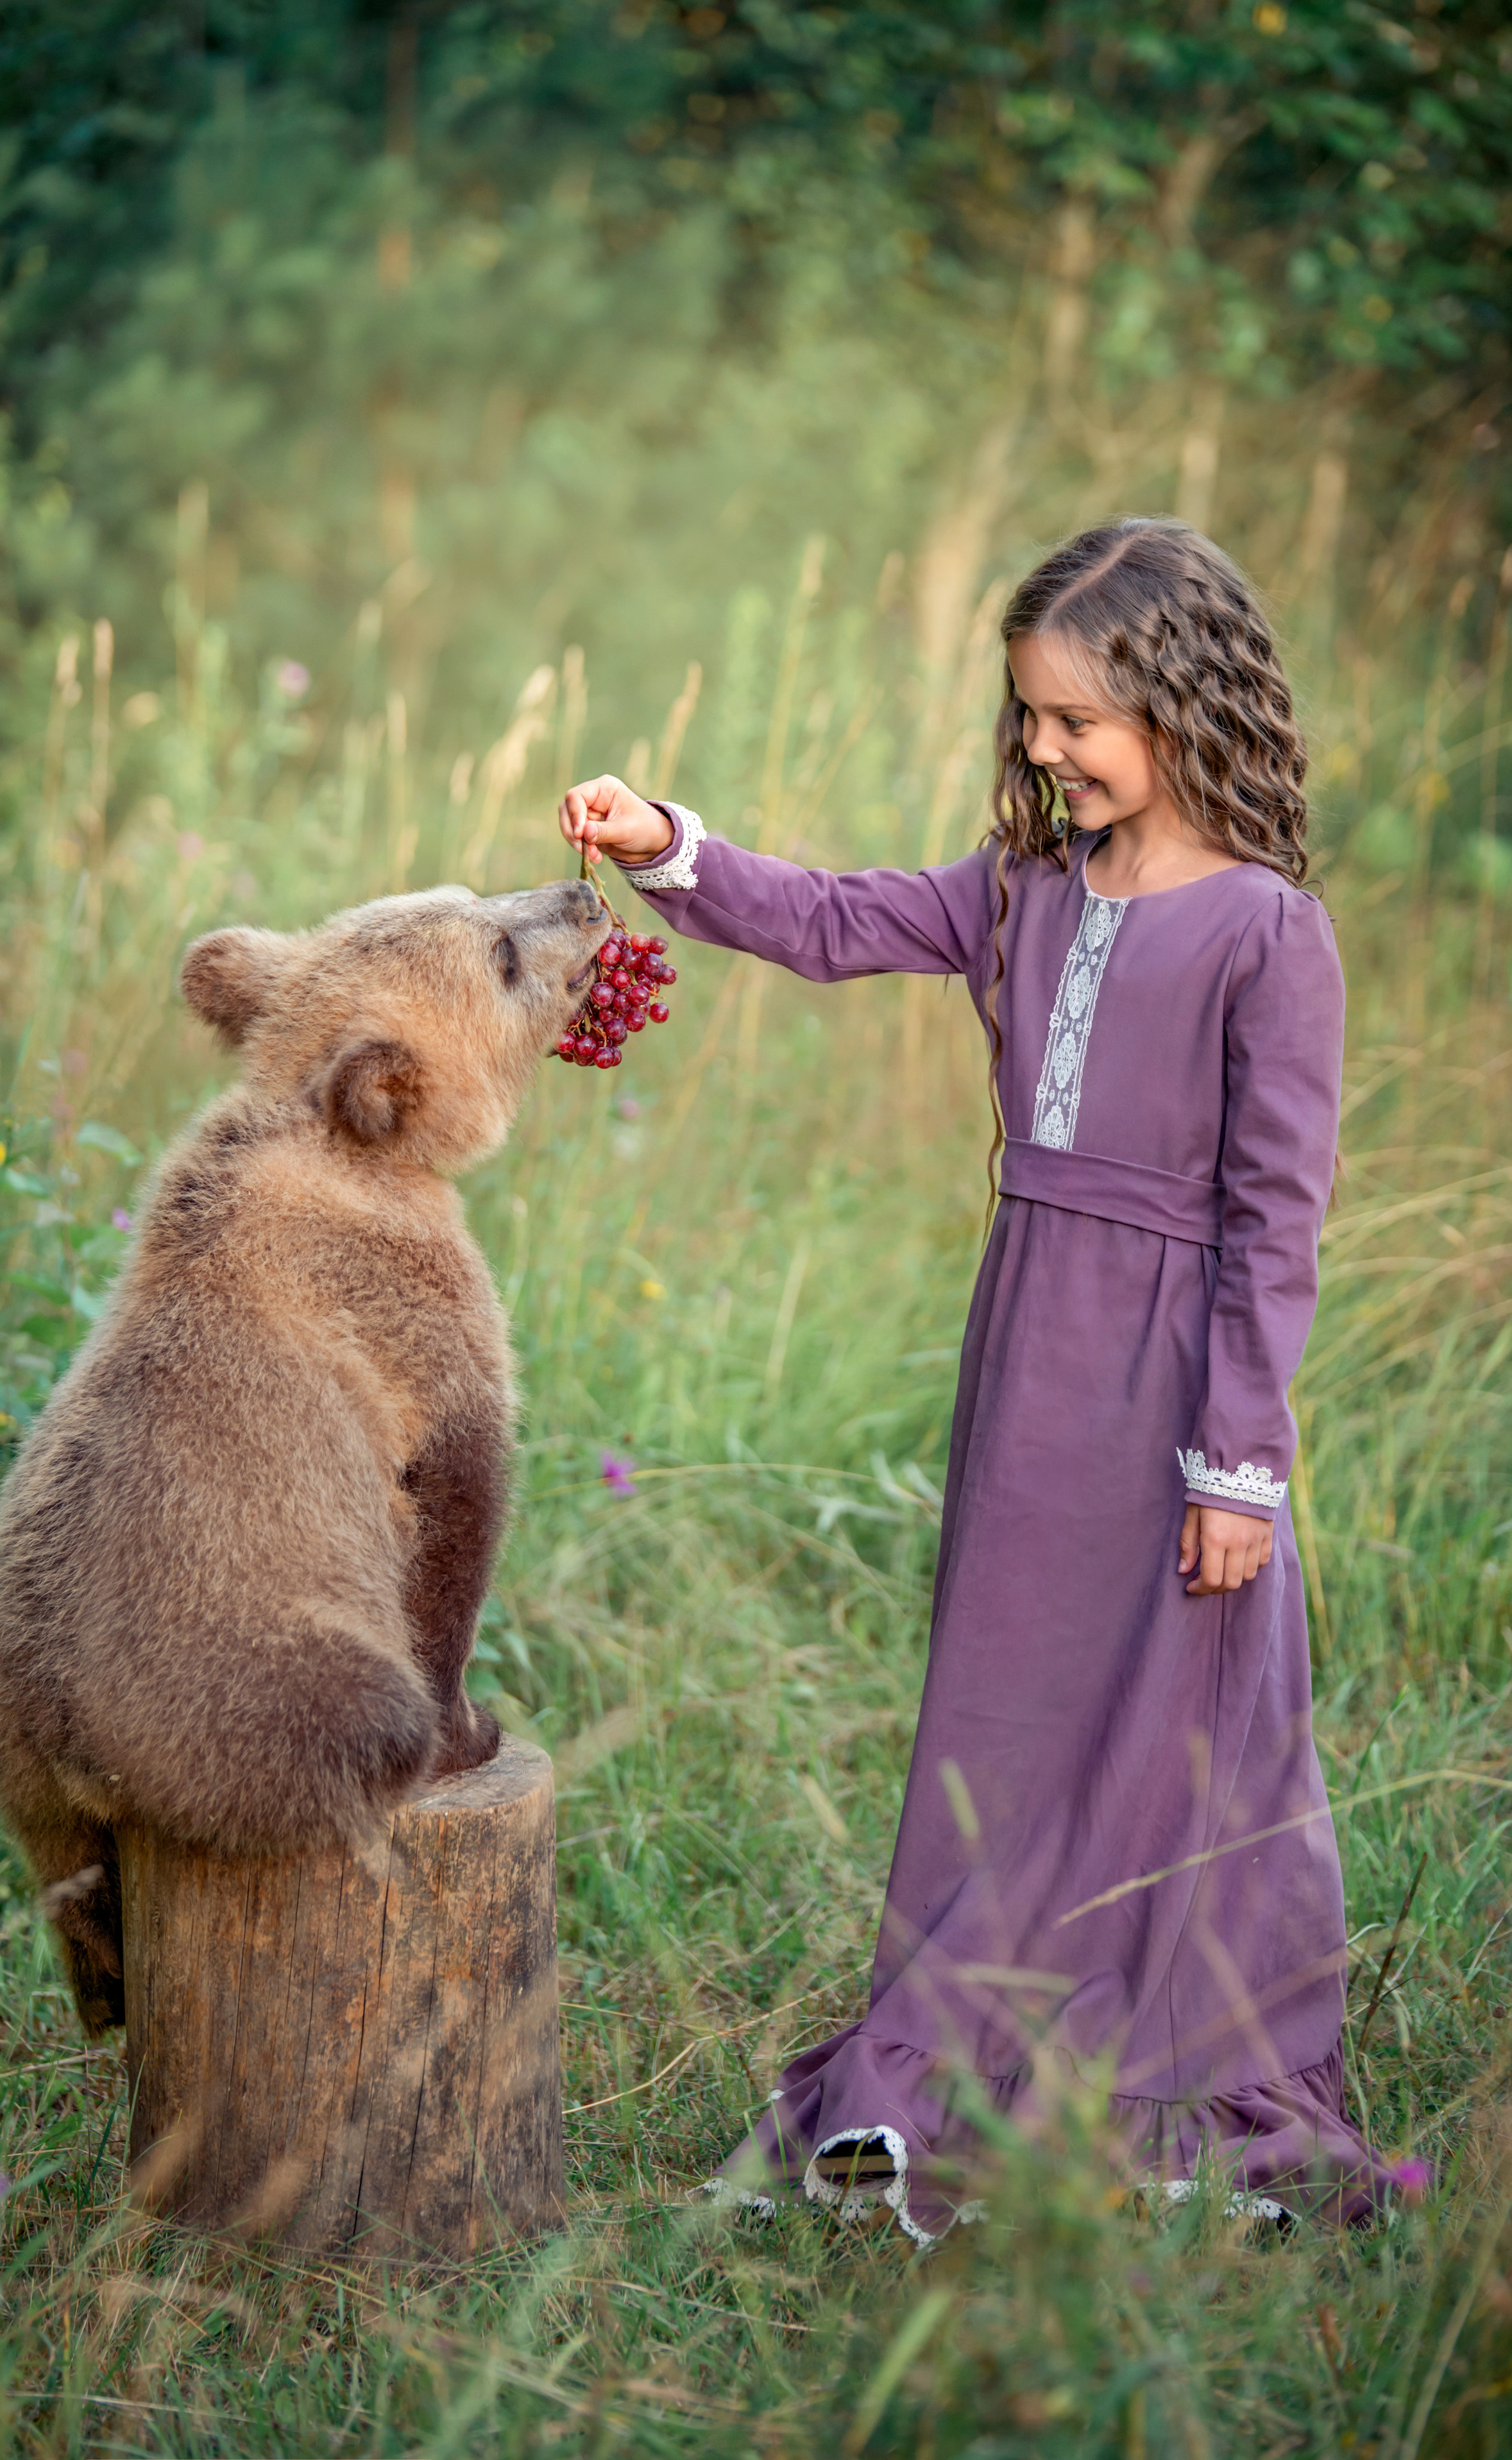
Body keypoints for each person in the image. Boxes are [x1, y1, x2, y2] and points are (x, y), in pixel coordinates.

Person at [557, 516, 1404, 2242]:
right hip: (1029, 1363)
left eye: (1077, 719)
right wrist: (667, 846)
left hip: (1176, 1392)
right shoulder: (1024, 889)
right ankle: (963, 2048)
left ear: (1184, 705)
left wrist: (1239, 1463)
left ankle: (1165, 2075)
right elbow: (830, 917)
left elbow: (1276, 1223)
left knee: (1173, 1724)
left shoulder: (1269, 935)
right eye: (1028, 714)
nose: (1043, 746)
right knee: (1006, 1714)